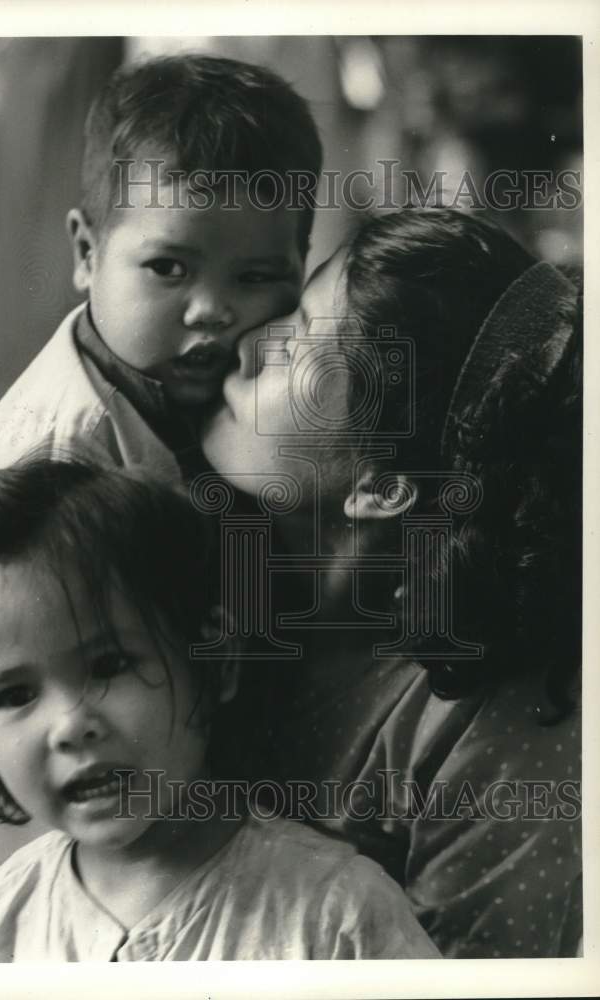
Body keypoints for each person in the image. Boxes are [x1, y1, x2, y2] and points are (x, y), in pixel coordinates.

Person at [201, 207, 582, 958]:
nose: (246, 347)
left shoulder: (500, 731)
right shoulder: (211, 557)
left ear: (381, 487)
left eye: (297, 344)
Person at [0, 455, 439, 962]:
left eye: (109, 665)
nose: (71, 725)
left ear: (215, 662)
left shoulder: (337, 914)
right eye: (14, 696)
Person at [0, 54, 322, 481]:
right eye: (168, 267)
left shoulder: (268, 390)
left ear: (301, 267)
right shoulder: (56, 465)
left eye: (255, 277)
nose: (211, 310)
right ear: (86, 253)